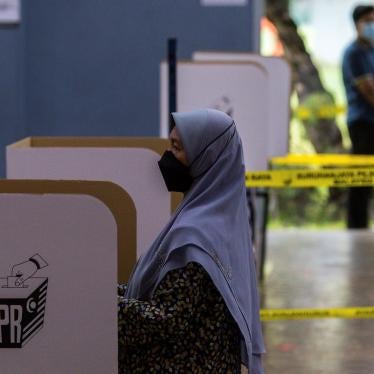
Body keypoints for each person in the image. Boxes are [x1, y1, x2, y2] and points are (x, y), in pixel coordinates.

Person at [118, 109, 265, 373]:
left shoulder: (196, 235)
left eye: (177, 148)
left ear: (205, 157)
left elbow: (165, 319)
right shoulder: (220, 220)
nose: (167, 157)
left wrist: (100, 304)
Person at [342, 4, 374, 229]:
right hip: (362, 122)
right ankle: (356, 227)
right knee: (361, 178)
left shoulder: (371, 51)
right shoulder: (353, 52)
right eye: (368, 21)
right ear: (357, 24)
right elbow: (368, 90)